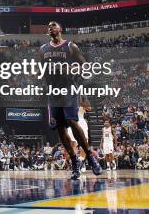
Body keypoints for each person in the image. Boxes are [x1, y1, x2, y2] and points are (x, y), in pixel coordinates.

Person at [40, 21, 102, 180]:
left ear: (60, 29)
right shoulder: (43, 50)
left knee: (72, 121)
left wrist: (70, 69)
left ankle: (90, 157)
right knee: (60, 128)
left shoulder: (70, 46)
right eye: (49, 26)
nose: (50, 27)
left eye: (53, 25)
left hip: (68, 88)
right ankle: (75, 162)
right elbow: (41, 71)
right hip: (53, 92)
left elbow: (85, 65)